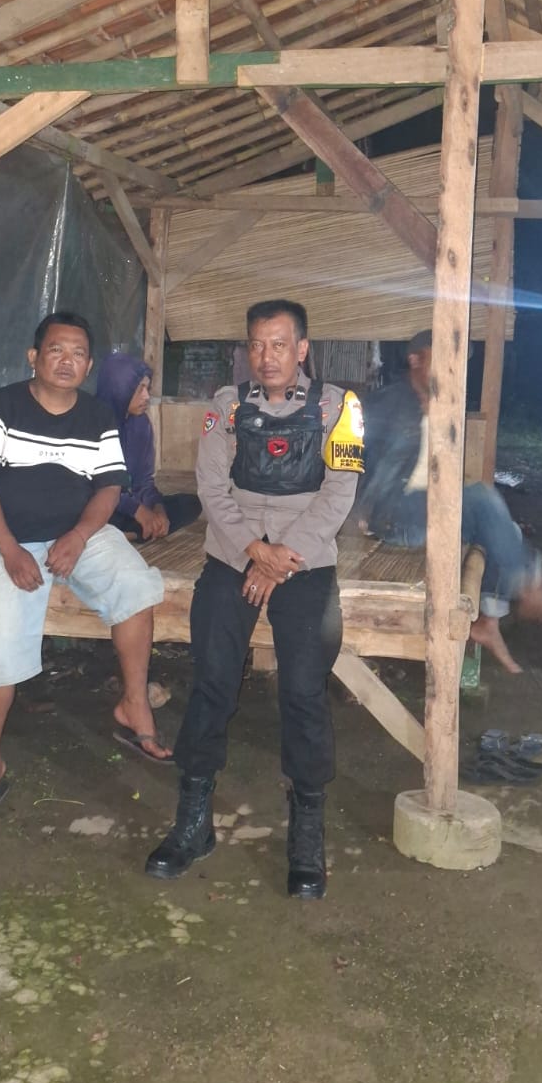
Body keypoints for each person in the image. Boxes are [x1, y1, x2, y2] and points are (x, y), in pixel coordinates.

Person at [145, 298, 365, 900]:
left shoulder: (340, 408)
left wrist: (281, 556)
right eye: (256, 345)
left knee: (303, 690)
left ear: (302, 349)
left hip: (305, 561)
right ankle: (193, 822)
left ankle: (307, 829)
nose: (266, 357)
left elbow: (339, 493)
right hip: (233, 554)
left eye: (279, 344)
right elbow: (211, 487)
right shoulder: (226, 406)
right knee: (212, 680)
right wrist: (252, 551)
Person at [0, 311, 171, 831]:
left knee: (136, 585)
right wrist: (10, 550)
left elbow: (109, 488)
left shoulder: (97, 417)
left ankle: (133, 705)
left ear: (88, 365)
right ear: (34, 357)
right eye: (56, 350)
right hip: (7, 541)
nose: (67, 361)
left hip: (79, 533)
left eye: (78, 353)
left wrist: (78, 536)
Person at [357, 329, 542, 673]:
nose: (450, 368)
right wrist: (362, 510)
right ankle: (531, 590)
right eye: (441, 358)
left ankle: (488, 622)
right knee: (482, 499)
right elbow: (354, 453)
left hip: (427, 509)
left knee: (504, 529)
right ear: (415, 359)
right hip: (394, 513)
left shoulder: (441, 402)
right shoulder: (387, 403)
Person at [96, 353, 201, 541]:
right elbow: (97, 485)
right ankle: (132, 532)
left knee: (191, 504)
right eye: (140, 389)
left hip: (131, 505)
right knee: (89, 509)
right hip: (101, 504)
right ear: (120, 389)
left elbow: (144, 481)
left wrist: (158, 509)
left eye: (148, 388)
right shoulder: (92, 422)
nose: (146, 396)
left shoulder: (141, 423)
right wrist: (138, 511)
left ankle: (132, 533)